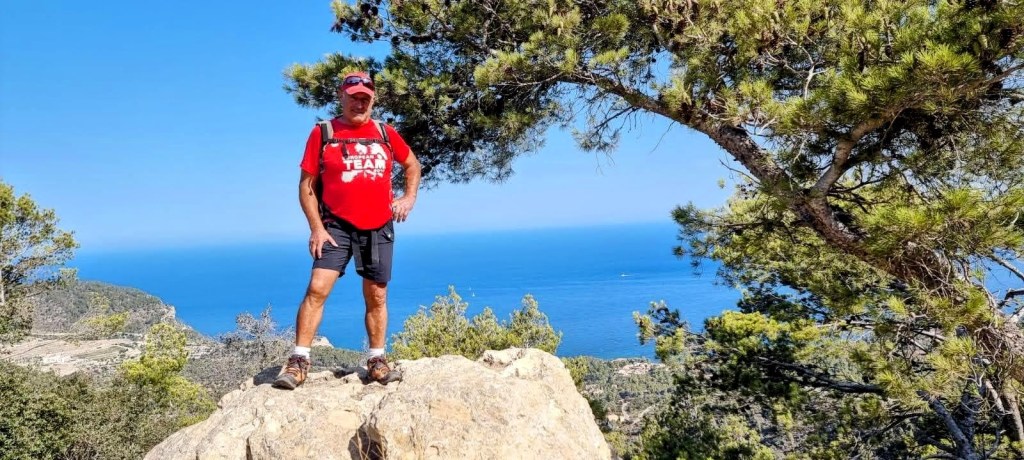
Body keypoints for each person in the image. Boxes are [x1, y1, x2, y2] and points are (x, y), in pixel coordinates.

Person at [273, 71, 421, 389]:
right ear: (342, 96)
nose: (359, 102)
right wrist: (315, 228)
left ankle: (377, 359)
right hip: (335, 225)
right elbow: (306, 185)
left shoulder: (384, 132)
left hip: (378, 224)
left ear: (373, 99)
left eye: (365, 98)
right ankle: (299, 361)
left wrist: (408, 198)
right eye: (353, 96)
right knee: (317, 288)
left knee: (377, 295)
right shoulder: (323, 132)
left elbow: (412, 164)